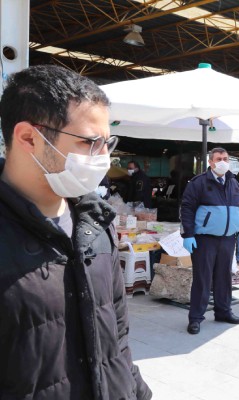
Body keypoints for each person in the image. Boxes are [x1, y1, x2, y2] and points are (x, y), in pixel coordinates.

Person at [0, 65, 151, 399]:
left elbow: (118, 332)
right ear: (28, 138)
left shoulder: (96, 223)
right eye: (89, 142)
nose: (103, 157)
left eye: (107, 142)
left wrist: (137, 392)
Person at [181, 147, 239, 335]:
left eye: (226, 158)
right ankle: (196, 318)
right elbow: (187, 208)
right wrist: (188, 234)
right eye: (219, 158)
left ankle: (223, 311)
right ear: (211, 162)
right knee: (203, 279)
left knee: (224, 278)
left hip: (228, 239)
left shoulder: (235, 184)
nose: (223, 162)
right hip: (205, 240)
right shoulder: (199, 183)